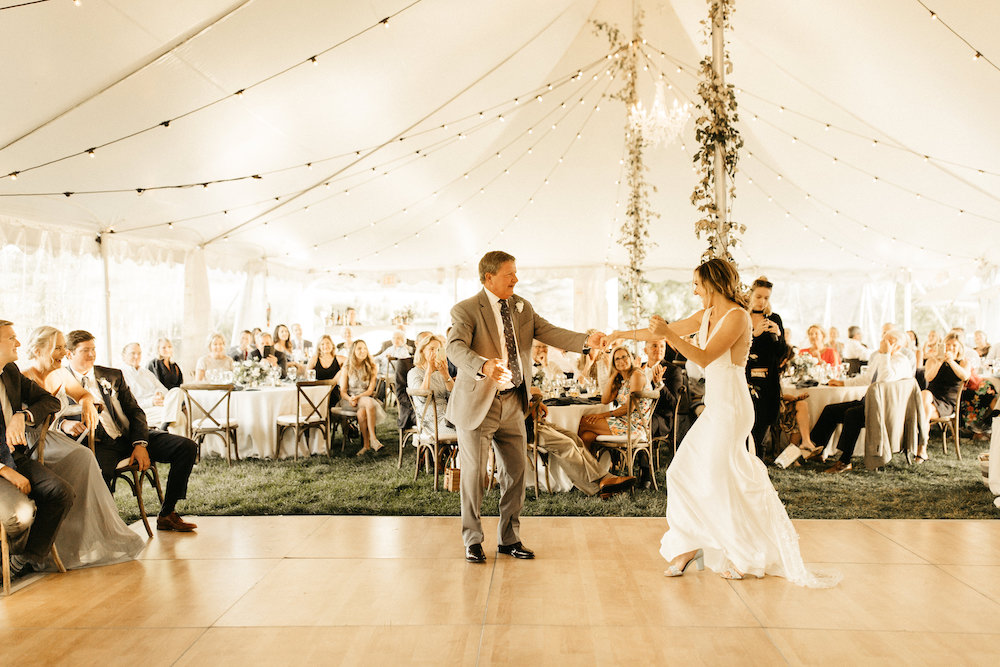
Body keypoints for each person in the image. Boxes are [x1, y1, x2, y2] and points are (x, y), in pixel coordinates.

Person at [608, 258, 838, 587]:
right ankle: (689, 545)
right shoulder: (707, 315)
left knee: (719, 476)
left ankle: (738, 551)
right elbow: (664, 329)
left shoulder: (737, 316)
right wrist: (620, 333)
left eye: (697, 284)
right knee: (682, 472)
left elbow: (703, 357)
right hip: (717, 405)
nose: (694, 290)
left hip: (732, 406)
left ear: (713, 284)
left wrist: (668, 335)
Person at [446, 250, 604, 564]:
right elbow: (454, 347)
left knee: (516, 473)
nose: (516, 279)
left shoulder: (522, 307)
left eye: (515, 273)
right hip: (478, 404)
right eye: (509, 273)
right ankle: (473, 540)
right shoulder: (465, 309)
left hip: (513, 403)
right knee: (475, 474)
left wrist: (587, 341)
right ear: (489, 277)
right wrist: (483, 366)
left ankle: (509, 539)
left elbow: (550, 331)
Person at [23, 326, 145, 568]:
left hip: (52, 440)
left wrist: (88, 402)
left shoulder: (59, 374)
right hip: (29, 442)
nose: (62, 352)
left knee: (84, 458)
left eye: (62, 347)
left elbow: (82, 394)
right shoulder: (23, 377)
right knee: (82, 458)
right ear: (38, 351)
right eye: (57, 348)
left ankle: (91, 537)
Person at [65, 330, 199, 532]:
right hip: (98, 444)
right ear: (69, 354)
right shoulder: (59, 379)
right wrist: (64, 424)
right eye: (85, 350)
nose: (92, 355)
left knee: (186, 447)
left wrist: (139, 443)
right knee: (100, 473)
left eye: (93, 349)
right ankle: (107, 528)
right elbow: (56, 414)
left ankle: (167, 513)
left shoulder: (111, 375)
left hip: (128, 436)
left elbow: (135, 411)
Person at [0, 320, 74, 580]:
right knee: (18, 516)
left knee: (61, 492)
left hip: (15, 456)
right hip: (2, 465)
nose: (18, 343)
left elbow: (50, 401)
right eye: (11, 338)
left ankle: (23, 560)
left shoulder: (9, 371)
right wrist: (6, 472)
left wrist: (23, 414)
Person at [810, 328, 913, 474]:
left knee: (852, 414)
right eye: (883, 338)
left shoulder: (901, 361)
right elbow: (867, 378)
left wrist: (885, 354)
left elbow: (884, 379)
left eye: (888, 340)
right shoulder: (879, 357)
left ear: (897, 345)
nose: (882, 342)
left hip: (885, 408)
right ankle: (818, 451)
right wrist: (843, 383)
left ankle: (844, 461)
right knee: (830, 410)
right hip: (870, 402)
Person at [577, 346, 653, 455]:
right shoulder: (623, 381)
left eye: (624, 357)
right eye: (617, 359)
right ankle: (592, 468)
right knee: (587, 436)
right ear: (613, 363)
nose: (622, 361)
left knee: (583, 422)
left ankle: (583, 467)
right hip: (623, 422)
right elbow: (605, 400)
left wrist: (602, 415)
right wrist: (613, 375)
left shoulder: (636, 375)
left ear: (630, 358)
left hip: (634, 427)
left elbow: (629, 408)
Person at [745, 276, 789, 460]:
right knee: (746, 429)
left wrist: (778, 335)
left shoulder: (774, 318)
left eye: (767, 297)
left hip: (769, 383)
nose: (762, 301)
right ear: (751, 295)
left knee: (761, 432)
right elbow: (737, 350)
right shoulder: (742, 317)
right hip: (747, 381)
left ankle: (758, 470)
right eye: (759, 297)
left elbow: (782, 353)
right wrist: (754, 335)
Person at [917, 332, 970, 463]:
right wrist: (940, 361)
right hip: (930, 397)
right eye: (948, 344)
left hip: (948, 403)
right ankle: (921, 449)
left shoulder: (963, 362)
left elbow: (965, 376)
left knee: (925, 410)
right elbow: (929, 377)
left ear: (960, 347)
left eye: (954, 345)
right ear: (942, 345)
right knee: (925, 395)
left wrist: (951, 361)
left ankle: (921, 446)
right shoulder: (933, 360)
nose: (951, 347)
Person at [121, 342, 185, 432]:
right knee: (179, 416)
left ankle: (166, 424)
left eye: (139, 353)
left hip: (160, 407)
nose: (137, 356)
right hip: (142, 410)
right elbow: (128, 403)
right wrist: (152, 402)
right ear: (124, 356)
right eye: (133, 353)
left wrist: (159, 394)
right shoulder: (121, 375)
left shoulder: (146, 373)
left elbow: (164, 390)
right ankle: (167, 427)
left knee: (177, 391)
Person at [338, 339, 385, 456]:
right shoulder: (347, 367)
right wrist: (350, 399)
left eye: (364, 348)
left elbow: (370, 390)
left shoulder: (372, 366)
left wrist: (358, 397)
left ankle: (366, 445)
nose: (362, 351)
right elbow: (343, 391)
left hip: (364, 396)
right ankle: (373, 439)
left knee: (362, 413)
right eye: (359, 348)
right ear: (353, 351)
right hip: (348, 401)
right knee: (368, 403)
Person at [407, 335, 456, 441]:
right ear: (422, 351)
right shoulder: (414, 373)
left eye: (438, 349)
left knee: (474, 425)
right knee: (467, 431)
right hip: (429, 422)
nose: (435, 352)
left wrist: (446, 374)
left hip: (448, 417)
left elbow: (454, 396)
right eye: (431, 349)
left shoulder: (439, 374)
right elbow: (423, 397)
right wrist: (428, 371)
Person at [642, 338, 683, 444]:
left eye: (662, 346)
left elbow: (674, 403)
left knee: (642, 426)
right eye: (654, 345)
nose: (659, 349)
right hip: (638, 415)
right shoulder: (639, 368)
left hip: (660, 418)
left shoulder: (673, 371)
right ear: (645, 350)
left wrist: (659, 384)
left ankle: (643, 460)